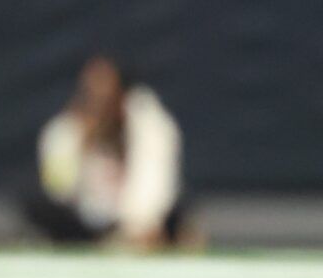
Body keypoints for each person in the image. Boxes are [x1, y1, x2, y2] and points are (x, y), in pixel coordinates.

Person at [22, 55, 194, 250]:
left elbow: (155, 183)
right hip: (88, 222)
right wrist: (77, 144)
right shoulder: (69, 129)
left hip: (133, 220)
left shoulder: (149, 127)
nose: (99, 103)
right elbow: (58, 188)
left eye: (106, 95)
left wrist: (137, 225)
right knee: (34, 201)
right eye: (92, 94)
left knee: (179, 210)